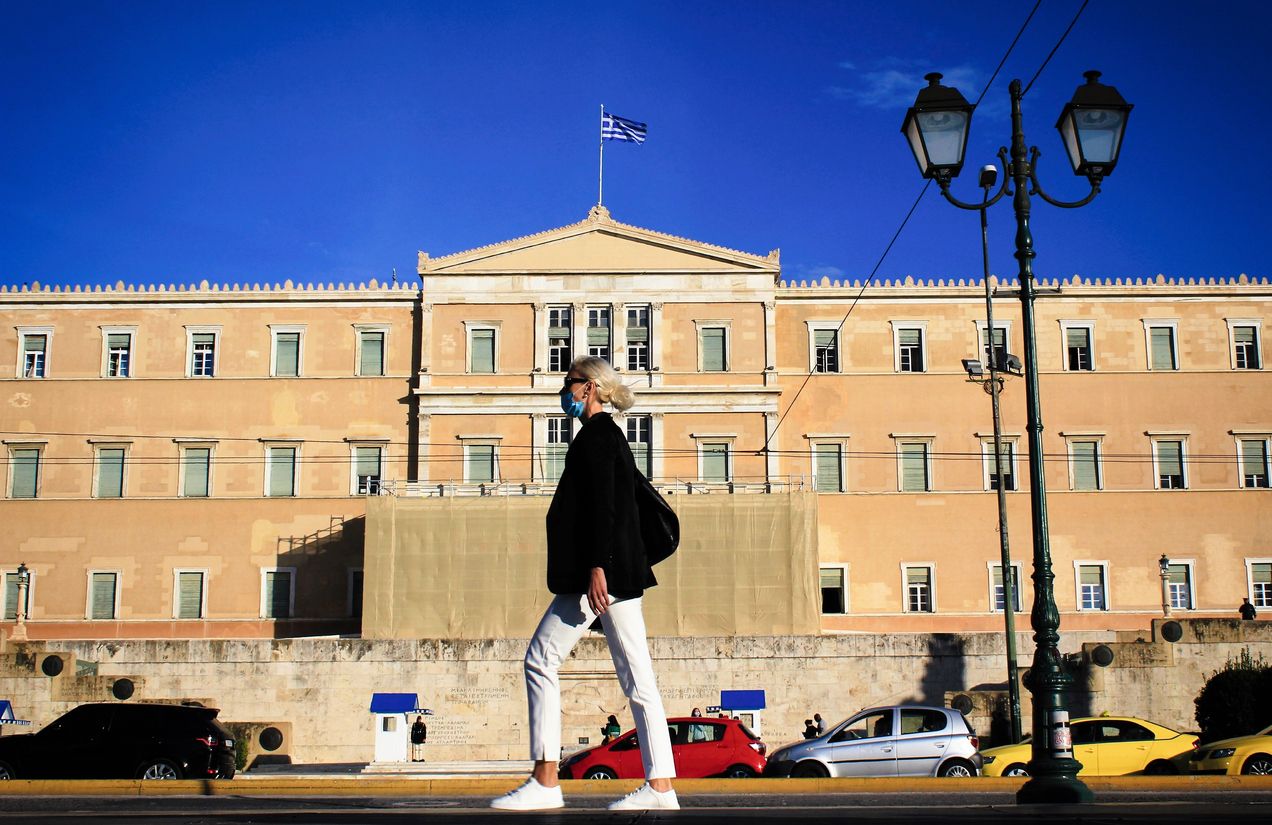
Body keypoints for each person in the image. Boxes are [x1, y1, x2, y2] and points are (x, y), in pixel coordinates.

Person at [491, 357, 678, 812]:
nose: (564, 391)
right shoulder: (608, 436)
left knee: (542, 660)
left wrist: (597, 566)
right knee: (638, 679)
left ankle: (546, 780)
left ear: (588, 388)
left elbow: (604, 507)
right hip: (615, 575)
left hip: (600, 577)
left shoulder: (596, 436)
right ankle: (660, 787)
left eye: (568, 383)